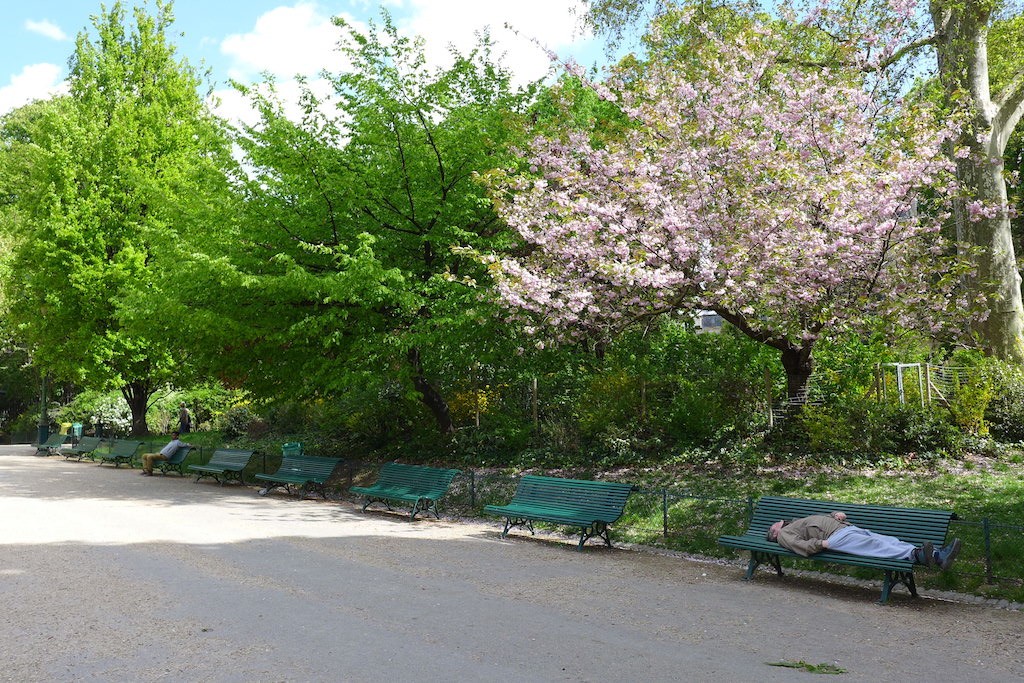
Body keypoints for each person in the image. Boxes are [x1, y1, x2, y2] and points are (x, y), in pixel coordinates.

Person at [766, 511, 962, 570]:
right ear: (775, 533)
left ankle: (937, 555)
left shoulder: (796, 522)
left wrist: (835, 515)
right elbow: (799, 546)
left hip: (846, 530)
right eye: (772, 527)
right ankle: (919, 555)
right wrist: (821, 545)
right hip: (835, 538)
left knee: (888, 540)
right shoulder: (784, 534)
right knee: (877, 546)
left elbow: (819, 521)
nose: (774, 524)